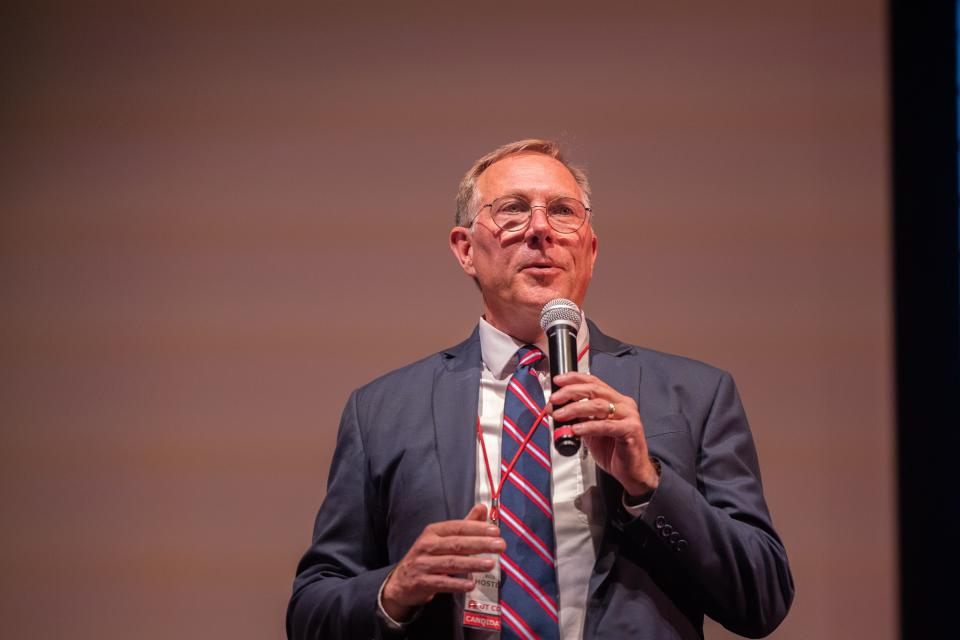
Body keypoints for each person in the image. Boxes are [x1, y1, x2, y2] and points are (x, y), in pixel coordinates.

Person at [287, 139, 794, 640]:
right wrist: (396, 588)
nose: (540, 230)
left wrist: (649, 485)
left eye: (562, 211)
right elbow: (311, 612)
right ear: (465, 250)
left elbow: (763, 598)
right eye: (511, 210)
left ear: (590, 250)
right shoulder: (382, 410)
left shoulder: (696, 395)